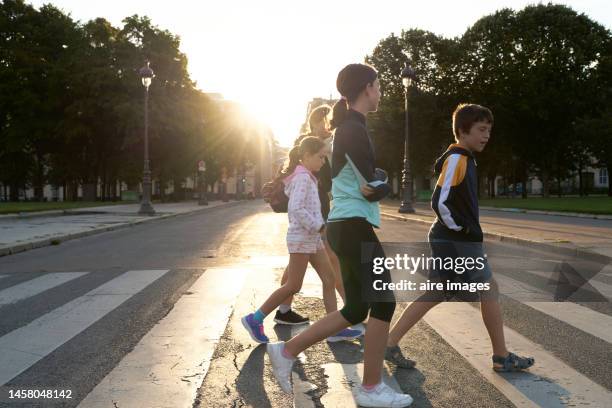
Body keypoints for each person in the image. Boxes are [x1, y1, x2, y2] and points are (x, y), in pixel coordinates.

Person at [266, 63, 413, 408]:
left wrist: (375, 178)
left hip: (343, 226)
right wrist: (384, 181)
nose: (380, 92)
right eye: (378, 85)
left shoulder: (345, 130)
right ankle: (371, 387)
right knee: (384, 302)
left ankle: (286, 350)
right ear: (366, 88)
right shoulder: (353, 130)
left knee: (358, 307)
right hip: (353, 225)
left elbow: (346, 181)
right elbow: (369, 187)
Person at [384, 103, 535, 374]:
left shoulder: (464, 158)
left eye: (489, 130)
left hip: (449, 238)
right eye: (481, 129)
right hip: (455, 240)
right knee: (489, 288)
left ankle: (390, 342)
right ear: (462, 131)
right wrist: (465, 231)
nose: (486, 135)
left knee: (438, 291)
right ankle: (501, 356)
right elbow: (439, 202)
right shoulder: (457, 159)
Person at [242, 136, 361, 344]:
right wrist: (320, 226)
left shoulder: (306, 175)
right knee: (293, 285)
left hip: (312, 238)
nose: (324, 162)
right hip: (301, 238)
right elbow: (296, 209)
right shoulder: (302, 178)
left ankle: (333, 329)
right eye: (321, 157)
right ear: (306, 156)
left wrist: (319, 228)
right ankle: (255, 318)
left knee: (329, 279)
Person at [274, 105, 350, 328]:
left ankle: (284, 310)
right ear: (316, 121)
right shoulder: (310, 147)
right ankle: (349, 307)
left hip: (319, 208)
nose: (329, 125)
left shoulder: (326, 146)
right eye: (326, 120)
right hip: (312, 215)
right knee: (327, 261)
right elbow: (306, 190)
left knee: (300, 269)